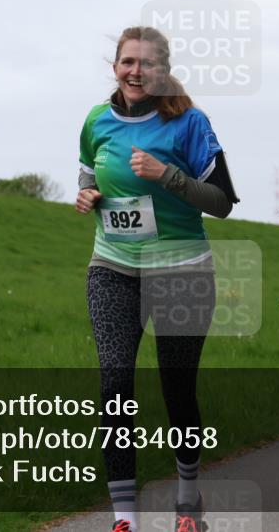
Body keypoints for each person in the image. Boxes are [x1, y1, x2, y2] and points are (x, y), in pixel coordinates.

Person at [77, 26, 239, 532]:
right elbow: (89, 171)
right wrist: (87, 196)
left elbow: (223, 202)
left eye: (146, 64)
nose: (135, 71)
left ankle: (189, 504)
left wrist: (165, 176)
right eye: (127, 62)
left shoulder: (189, 123)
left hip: (182, 271)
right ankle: (124, 517)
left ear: (162, 71)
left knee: (177, 388)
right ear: (115, 66)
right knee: (116, 382)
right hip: (113, 268)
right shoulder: (96, 120)